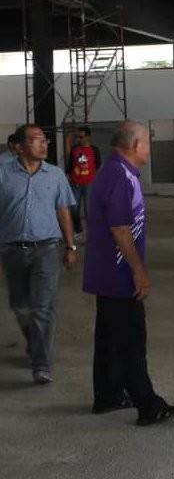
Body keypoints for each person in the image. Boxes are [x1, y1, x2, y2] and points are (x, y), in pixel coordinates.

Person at [83, 121, 174, 423]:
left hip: (108, 272)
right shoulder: (119, 175)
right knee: (131, 339)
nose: (149, 149)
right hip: (118, 273)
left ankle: (108, 395)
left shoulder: (118, 172)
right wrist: (138, 271)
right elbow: (120, 228)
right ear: (134, 145)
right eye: (147, 142)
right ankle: (148, 405)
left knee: (109, 337)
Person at [0, 124, 76, 384]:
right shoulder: (2, 174)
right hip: (11, 250)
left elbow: (63, 211)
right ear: (19, 146)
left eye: (45, 140)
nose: (44, 144)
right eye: (36, 140)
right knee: (20, 307)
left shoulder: (55, 175)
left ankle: (41, 364)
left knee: (43, 308)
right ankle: (36, 343)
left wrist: (70, 246)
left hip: (47, 248)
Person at [66, 125, 102, 237]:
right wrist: (73, 134)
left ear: (88, 137)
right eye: (78, 137)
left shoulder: (94, 150)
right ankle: (78, 230)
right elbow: (71, 162)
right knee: (73, 208)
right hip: (75, 183)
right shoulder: (74, 149)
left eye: (81, 137)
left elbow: (97, 165)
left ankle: (91, 234)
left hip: (89, 184)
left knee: (89, 210)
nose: (79, 139)